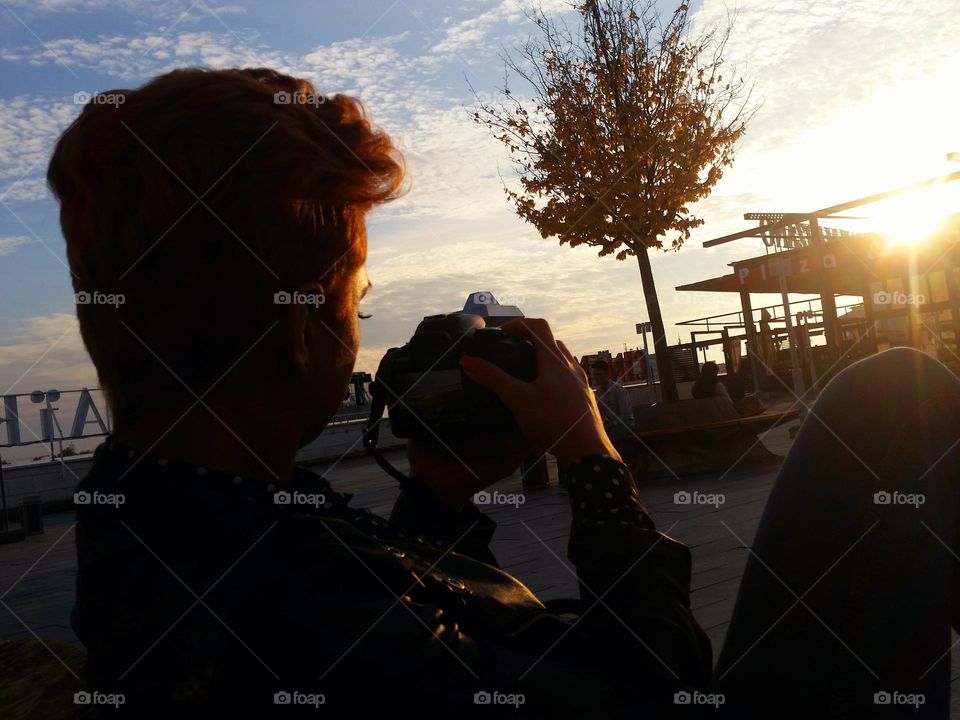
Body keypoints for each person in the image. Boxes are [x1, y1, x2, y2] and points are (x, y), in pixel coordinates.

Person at [48, 67, 960, 719]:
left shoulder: (154, 521)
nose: (359, 321)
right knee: (894, 401)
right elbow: (656, 682)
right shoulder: (281, 609)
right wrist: (594, 460)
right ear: (300, 330)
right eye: (353, 299)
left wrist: (441, 493)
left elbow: (375, 612)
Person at [588, 360, 636, 444]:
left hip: (624, 425)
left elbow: (626, 415)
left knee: (608, 441)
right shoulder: (598, 393)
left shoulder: (619, 390)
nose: (596, 378)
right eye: (594, 375)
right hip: (611, 424)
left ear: (606, 374)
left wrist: (612, 424)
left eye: (598, 374)